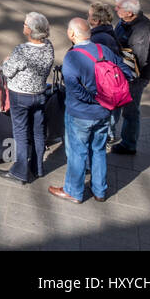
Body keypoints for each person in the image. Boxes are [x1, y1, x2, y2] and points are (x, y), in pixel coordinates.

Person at [51, 17, 122, 203]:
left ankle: (74, 191)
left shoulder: (73, 57)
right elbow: (121, 71)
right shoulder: (103, 50)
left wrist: (94, 98)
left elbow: (74, 89)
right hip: (104, 113)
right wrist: (105, 100)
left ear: (72, 34)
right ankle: (100, 190)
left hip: (80, 114)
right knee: (98, 150)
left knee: (78, 152)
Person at [0, 11, 54, 185]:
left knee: (21, 133)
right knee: (38, 132)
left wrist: (6, 61)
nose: (23, 26)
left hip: (20, 97)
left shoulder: (22, 51)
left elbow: (8, 71)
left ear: (30, 30)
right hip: (40, 94)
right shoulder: (49, 46)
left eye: (25, 24)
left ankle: (20, 171)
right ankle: (37, 167)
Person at [112, 0, 150, 154]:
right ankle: (112, 134)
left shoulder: (142, 30)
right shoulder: (125, 22)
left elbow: (138, 61)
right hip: (122, 73)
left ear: (130, 12)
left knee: (131, 111)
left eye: (118, 8)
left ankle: (129, 144)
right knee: (116, 105)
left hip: (135, 77)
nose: (115, 9)